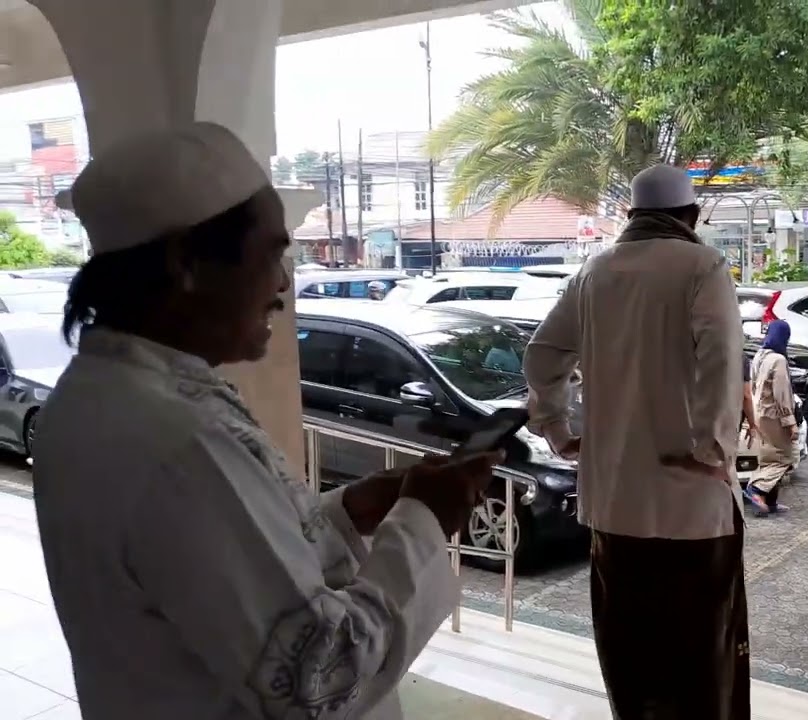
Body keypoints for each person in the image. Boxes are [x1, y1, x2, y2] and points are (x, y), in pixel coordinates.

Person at [32, 122, 501, 720]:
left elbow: (216, 575)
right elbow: (321, 676)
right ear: (187, 265)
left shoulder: (100, 396)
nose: (283, 283)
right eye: (273, 253)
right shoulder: (177, 441)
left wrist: (353, 510)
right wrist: (424, 520)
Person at [523, 164, 749, 719]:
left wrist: (556, 428)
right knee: (701, 656)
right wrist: (713, 449)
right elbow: (722, 360)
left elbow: (542, 356)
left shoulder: (594, 272)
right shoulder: (703, 265)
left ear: (632, 215)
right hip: (691, 507)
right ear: (691, 216)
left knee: (631, 651)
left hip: (614, 506)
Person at [745, 320, 796, 516]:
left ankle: (771, 500)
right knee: (786, 457)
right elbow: (781, 394)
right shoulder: (778, 360)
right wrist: (790, 422)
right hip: (773, 415)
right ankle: (756, 489)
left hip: (759, 412)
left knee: (769, 456)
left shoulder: (760, 355)